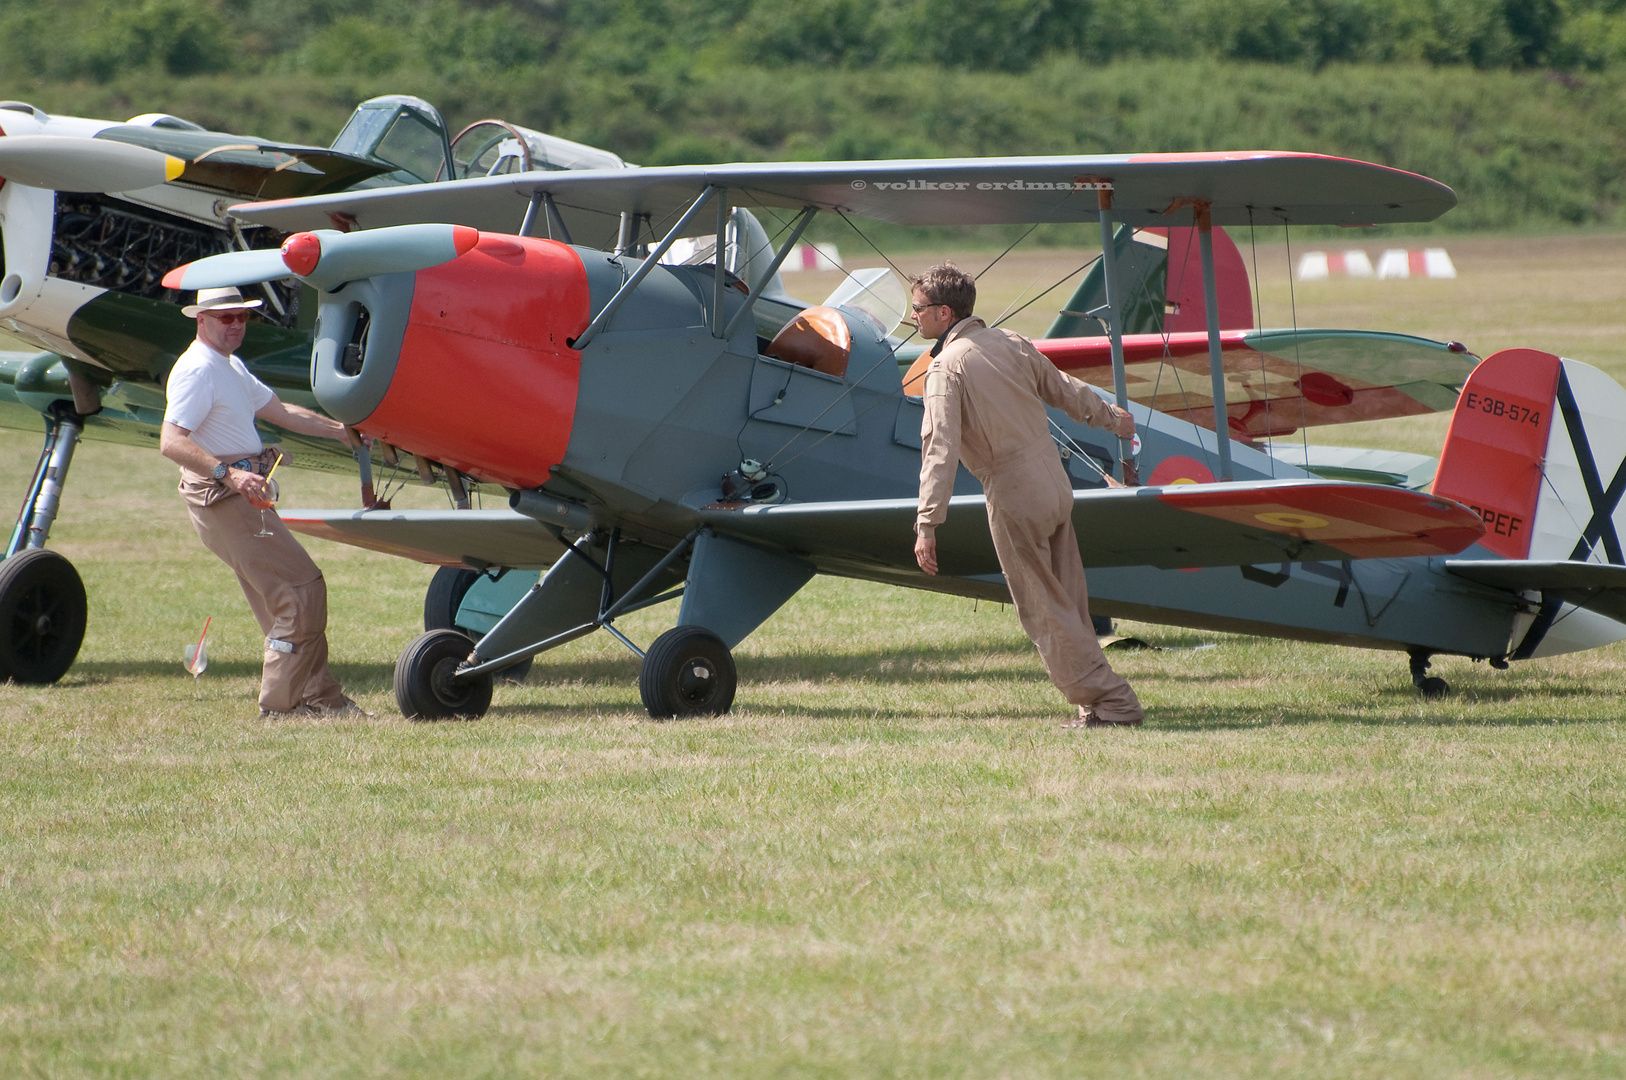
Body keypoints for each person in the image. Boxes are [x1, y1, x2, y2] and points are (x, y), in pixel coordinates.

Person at [912, 263, 1144, 728]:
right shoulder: (1011, 341)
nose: (912, 316)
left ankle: (1115, 703)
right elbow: (1064, 390)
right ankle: (1093, 706)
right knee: (1069, 601)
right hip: (1055, 484)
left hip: (1014, 492)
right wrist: (1112, 418)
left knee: (1043, 609)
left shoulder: (943, 369)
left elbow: (940, 448)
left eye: (917, 309)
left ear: (942, 313)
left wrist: (927, 522)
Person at [160, 286, 368, 719]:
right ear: (201, 319)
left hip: (239, 496)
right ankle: (281, 707)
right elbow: (171, 442)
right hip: (225, 496)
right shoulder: (198, 369)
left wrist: (344, 431)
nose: (236, 325)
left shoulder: (229, 365)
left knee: (286, 601)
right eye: (225, 317)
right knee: (302, 590)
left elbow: (284, 413)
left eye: (242, 317)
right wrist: (231, 474)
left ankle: (320, 699)